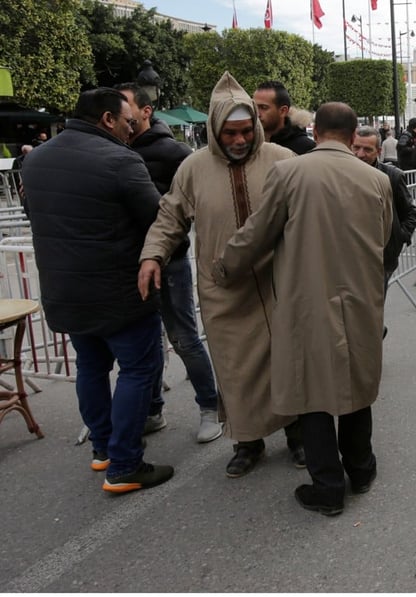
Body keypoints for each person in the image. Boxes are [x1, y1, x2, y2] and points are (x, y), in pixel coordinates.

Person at [211, 102, 391, 516]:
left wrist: (225, 268)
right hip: (361, 298)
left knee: (312, 394)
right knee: (356, 386)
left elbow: (257, 232)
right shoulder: (376, 179)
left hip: (306, 299)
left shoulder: (289, 173)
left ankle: (327, 487)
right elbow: (384, 237)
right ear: (352, 136)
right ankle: (362, 471)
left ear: (315, 132)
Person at [138, 72, 303, 478]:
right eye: (230, 133)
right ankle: (248, 442)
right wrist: (152, 256)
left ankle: (299, 435)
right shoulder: (193, 168)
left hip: (280, 282)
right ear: (214, 130)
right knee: (236, 370)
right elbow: (170, 216)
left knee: (288, 361)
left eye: (247, 131)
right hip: (223, 287)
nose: (239, 140)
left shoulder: (284, 161)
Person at [22, 88, 173, 493]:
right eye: (128, 122)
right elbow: (158, 221)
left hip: (64, 289)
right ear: (108, 119)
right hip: (121, 290)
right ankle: (124, 464)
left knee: (90, 368)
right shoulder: (122, 160)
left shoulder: (36, 160)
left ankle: (104, 449)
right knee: (138, 370)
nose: (131, 130)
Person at [114, 82, 222, 444]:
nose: (122, 114)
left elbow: (184, 209)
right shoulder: (113, 149)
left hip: (170, 262)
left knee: (184, 339)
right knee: (145, 342)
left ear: (145, 111)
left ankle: (211, 407)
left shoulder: (176, 153)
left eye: (126, 105)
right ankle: (153, 410)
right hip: (129, 262)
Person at [351, 126, 416, 297]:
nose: (360, 154)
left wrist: (399, 238)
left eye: (367, 149)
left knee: (374, 304)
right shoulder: (342, 175)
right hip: (350, 254)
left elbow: (410, 213)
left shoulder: (393, 176)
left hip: (381, 257)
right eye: (356, 148)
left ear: (379, 151)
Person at [253, 80, 316, 155]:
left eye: (263, 107)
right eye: (254, 107)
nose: (257, 113)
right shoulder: (248, 144)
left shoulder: (306, 149)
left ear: (283, 111)